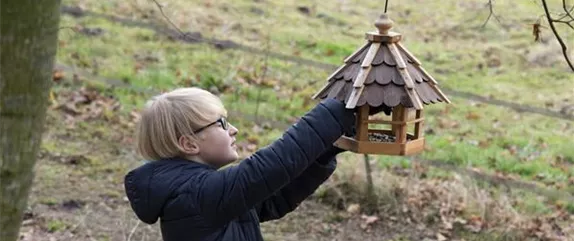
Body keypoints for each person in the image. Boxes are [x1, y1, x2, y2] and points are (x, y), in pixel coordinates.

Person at [123, 87, 358, 241]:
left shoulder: (204, 192)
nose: (234, 129)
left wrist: (325, 151)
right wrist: (335, 112)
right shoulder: (195, 195)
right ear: (189, 144)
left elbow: (273, 199)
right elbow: (267, 169)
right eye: (222, 123)